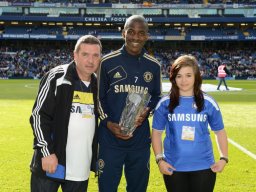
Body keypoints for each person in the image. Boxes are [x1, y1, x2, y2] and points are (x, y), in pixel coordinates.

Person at [97, 15, 162, 192]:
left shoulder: (154, 66)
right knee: (107, 188)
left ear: (147, 36)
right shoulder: (107, 62)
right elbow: (98, 98)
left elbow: (156, 97)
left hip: (139, 141)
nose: (135, 37)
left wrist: (147, 111)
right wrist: (108, 123)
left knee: (138, 188)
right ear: (123, 33)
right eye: (131, 32)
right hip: (110, 140)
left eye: (141, 33)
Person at [29, 35, 102, 192]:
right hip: (51, 164)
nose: (91, 60)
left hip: (80, 169)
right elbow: (38, 116)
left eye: (95, 55)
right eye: (85, 54)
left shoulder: (97, 84)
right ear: (75, 55)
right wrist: (46, 152)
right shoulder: (57, 77)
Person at [152, 55, 228, 192]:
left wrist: (223, 158)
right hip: (173, 167)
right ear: (174, 77)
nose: (184, 80)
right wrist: (160, 160)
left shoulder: (208, 102)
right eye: (179, 76)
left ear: (196, 77)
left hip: (204, 167)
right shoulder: (165, 103)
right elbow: (157, 133)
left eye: (188, 75)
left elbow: (219, 131)